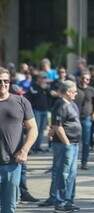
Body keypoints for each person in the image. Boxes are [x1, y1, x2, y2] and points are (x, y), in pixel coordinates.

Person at [0, 67, 38, 213]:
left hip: (12, 163)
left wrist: (24, 150)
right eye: (0, 81)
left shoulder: (21, 102)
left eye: (6, 81)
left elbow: (33, 128)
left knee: (8, 208)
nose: (3, 84)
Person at [51, 80, 82, 212]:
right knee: (63, 173)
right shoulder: (60, 104)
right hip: (64, 145)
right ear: (68, 92)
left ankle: (69, 200)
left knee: (72, 174)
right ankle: (60, 202)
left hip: (74, 144)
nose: (76, 93)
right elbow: (57, 126)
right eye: (74, 91)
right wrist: (67, 144)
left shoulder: (73, 104)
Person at [75, 71, 94, 170]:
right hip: (75, 118)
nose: (85, 81)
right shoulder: (75, 89)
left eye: (87, 79)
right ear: (80, 78)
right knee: (74, 141)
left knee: (86, 142)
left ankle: (84, 162)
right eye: (83, 78)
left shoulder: (92, 90)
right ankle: (72, 161)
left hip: (87, 118)